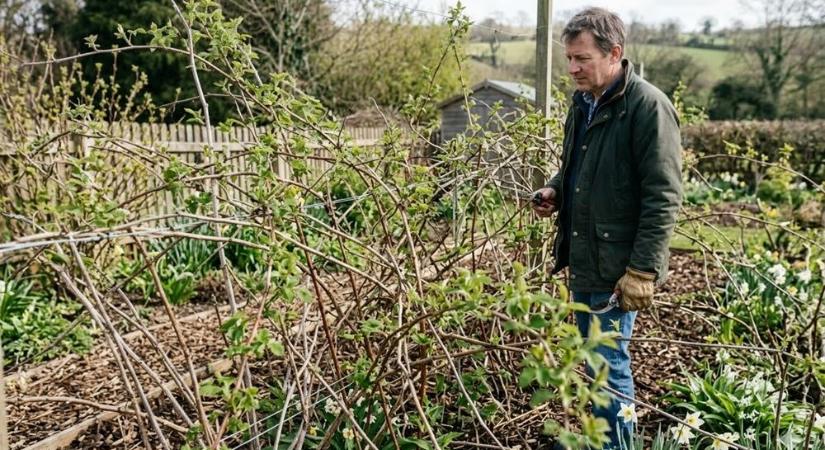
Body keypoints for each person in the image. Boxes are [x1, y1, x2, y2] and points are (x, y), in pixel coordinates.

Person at [531, 7, 683, 450]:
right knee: (595, 362)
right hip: (586, 257)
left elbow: (663, 196)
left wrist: (643, 271)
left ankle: (617, 445)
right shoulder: (583, 104)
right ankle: (603, 440)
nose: (573, 69)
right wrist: (555, 190)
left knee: (609, 366)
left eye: (582, 59)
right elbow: (576, 169)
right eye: (569, 60)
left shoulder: (647, 107)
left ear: (614, 53)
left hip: (618, 268)